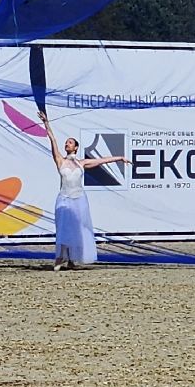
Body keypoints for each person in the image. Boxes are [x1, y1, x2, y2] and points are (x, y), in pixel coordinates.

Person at [37, 109, 130, 271]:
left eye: (70, 142)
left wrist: (120, 158)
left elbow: (102, 161)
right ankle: (60, 258)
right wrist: (46, 123)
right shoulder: (60, 160)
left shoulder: (82, 163)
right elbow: (52, 139)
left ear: (75, 148)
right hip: (64, 199)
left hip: (79, 200)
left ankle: (72, 258)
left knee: (77, 229)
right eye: (66, 143)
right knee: (63, 229)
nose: (67, 144)